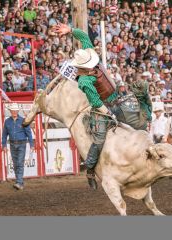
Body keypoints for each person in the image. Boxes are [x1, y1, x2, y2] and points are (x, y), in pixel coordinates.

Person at [54, 23, 118, 189]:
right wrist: (110, 114)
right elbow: (96, 102)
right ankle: (90, 169)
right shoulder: (85, 79)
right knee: (98, 140)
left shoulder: (85, 71)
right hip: (106, 103)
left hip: (111, 99)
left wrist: (69, 30)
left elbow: (83, 36)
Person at [2, 103, 34, 190]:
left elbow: (28, 133)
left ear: (17, 111)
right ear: (10, 111)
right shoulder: (7, 121)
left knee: (19, 162)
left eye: (15, 110)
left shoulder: (23, 120)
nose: (14, 112)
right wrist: (4, 145)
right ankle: (19, 182)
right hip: (12, 144)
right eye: (13, 110)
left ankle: (19, 182)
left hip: (22, 143)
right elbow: (4, 134)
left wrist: (31, 144)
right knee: (16, 164)